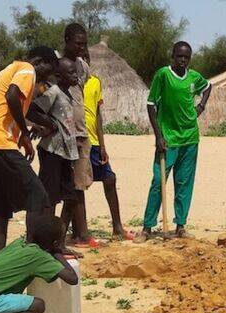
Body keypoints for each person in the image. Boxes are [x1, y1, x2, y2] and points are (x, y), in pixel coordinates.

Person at [0, 46, 59, 254]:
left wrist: (43, 124)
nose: (45, 78)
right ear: (39, 61)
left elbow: (19, 109)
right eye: (48, 71)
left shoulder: (9, 71)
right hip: (0, 142)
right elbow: (12, 97)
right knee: (38, 197)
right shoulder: (27, 70)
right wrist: (26, 135)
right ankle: (34, 252)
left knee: (0, 209)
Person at [65, 23, 132, 243]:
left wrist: (103, 145)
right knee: (78, 185)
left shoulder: (94, 82)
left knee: (109, 178)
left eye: (86, 53)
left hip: (93, 140)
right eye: (80, 50)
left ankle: (117, 227)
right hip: (77, 138)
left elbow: (98, 114)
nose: (84, 57)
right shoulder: (66, 77)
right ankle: (80, 232)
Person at [144, 41, 210, 239]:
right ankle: (147, 227)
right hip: (168, 139)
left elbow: (208, 86)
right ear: (172, 56)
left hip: (190, 138)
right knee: (158, 181)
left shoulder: (194, 77)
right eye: (179, 56)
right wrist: (159, 136)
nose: (182, 60)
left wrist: (201, 106)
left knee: (184, 183)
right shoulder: (163, 75)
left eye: (186, 57)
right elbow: (151, 105)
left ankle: (180, 225)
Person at [30, 57, 89, 245]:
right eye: (71, 72)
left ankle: (59, 241)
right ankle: (47, 243)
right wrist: (49, 124)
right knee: (50, 200)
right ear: (59, 76)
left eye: (75, 72)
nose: (75, 75)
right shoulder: (54, 92)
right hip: (52, 152)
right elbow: (32, 110)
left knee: (70, 197)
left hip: (66, 153)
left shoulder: (68, 94)